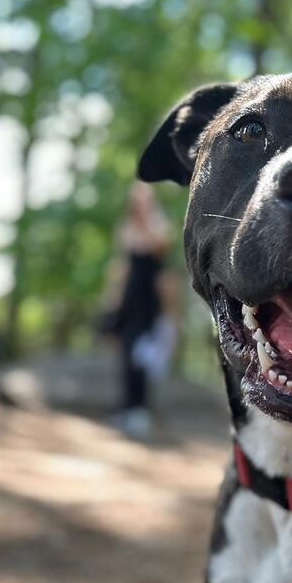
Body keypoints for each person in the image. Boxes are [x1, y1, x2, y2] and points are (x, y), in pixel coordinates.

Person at [100, 183, 179, 438]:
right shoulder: (125, 228)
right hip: (129, 299)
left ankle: (139, 410)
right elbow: (121, 266)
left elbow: (160, 248)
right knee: (126, 353)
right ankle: (127, 408)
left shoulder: (159, 224)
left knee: (143, 355)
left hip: (150, 301)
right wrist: (111, 301)